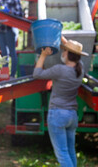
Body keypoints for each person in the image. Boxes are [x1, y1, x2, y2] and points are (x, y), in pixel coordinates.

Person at [33, 39, 88, 167]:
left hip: (58, 114)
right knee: (70, 151)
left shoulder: (59, 70)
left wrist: (43, 55)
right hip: (72, 115)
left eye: (64, 51)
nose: (62, 53)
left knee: (62, 153)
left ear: (68, 54)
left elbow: (37, 74)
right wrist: (64, 41)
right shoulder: (80, 69)